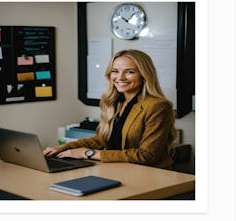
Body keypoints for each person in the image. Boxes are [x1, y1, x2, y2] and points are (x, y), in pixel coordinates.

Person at [43, 49, 176, 169]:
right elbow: (102, 139)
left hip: (149, 175)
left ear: (144, 75)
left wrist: (88, 153)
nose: (120, 77)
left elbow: (147, 155)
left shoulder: (157, 106)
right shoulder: (114, 102)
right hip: (117, 169)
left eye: (130, 72)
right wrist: (63, 147)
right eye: (115, 71)